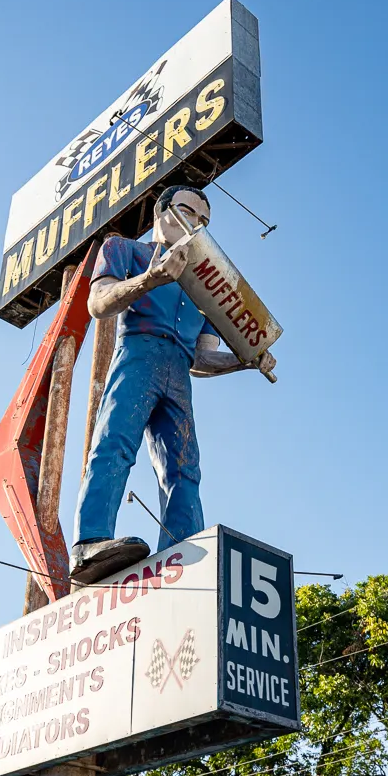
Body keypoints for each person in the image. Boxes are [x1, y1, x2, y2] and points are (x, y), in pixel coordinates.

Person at [70, 185, 276, 582]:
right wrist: (149, 279)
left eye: (202, 219)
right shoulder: (125, 249)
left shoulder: (204, 285)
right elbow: (98, 304)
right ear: (159, 213)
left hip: (180, 371)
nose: (194, 223)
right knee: (114, 443)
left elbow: (201, 358)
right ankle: (91, 541)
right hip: (138, 353)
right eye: (187, 212)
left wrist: (244, 361)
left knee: (184, 466)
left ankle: (183, 548)